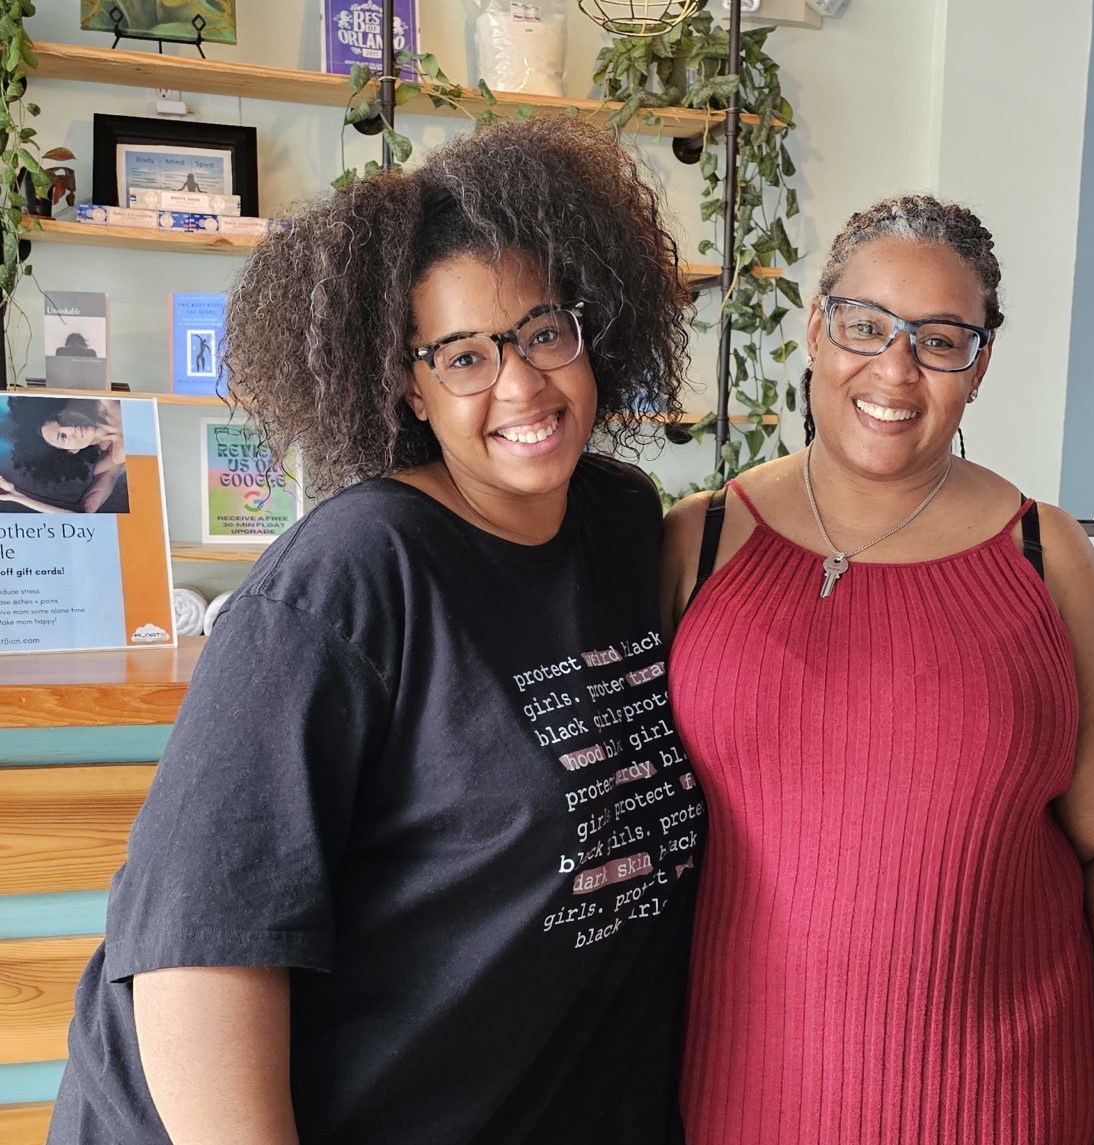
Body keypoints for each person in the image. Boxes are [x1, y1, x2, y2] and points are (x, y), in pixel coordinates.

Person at [48, 117, 706, 1145]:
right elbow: (199, 952)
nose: (522, 384)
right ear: (406, 382)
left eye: (542, 331)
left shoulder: (621, 521)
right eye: (465, 354)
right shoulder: (351, 574)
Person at [660, 195, 1094, 1145]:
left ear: (979, 366)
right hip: (744, 1099)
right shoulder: (698, 543)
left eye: (941, 340)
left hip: (1008, 1106)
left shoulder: (1047, 556)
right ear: (816, 331)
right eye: (867, 325)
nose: (895, 369)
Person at [0, 396, 127, 513]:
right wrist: (17, 496)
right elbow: (83, 512)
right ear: (73, 451)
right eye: (63, 436)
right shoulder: (109, 462)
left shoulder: (102, 400)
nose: (70, 428)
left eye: (62, 419)